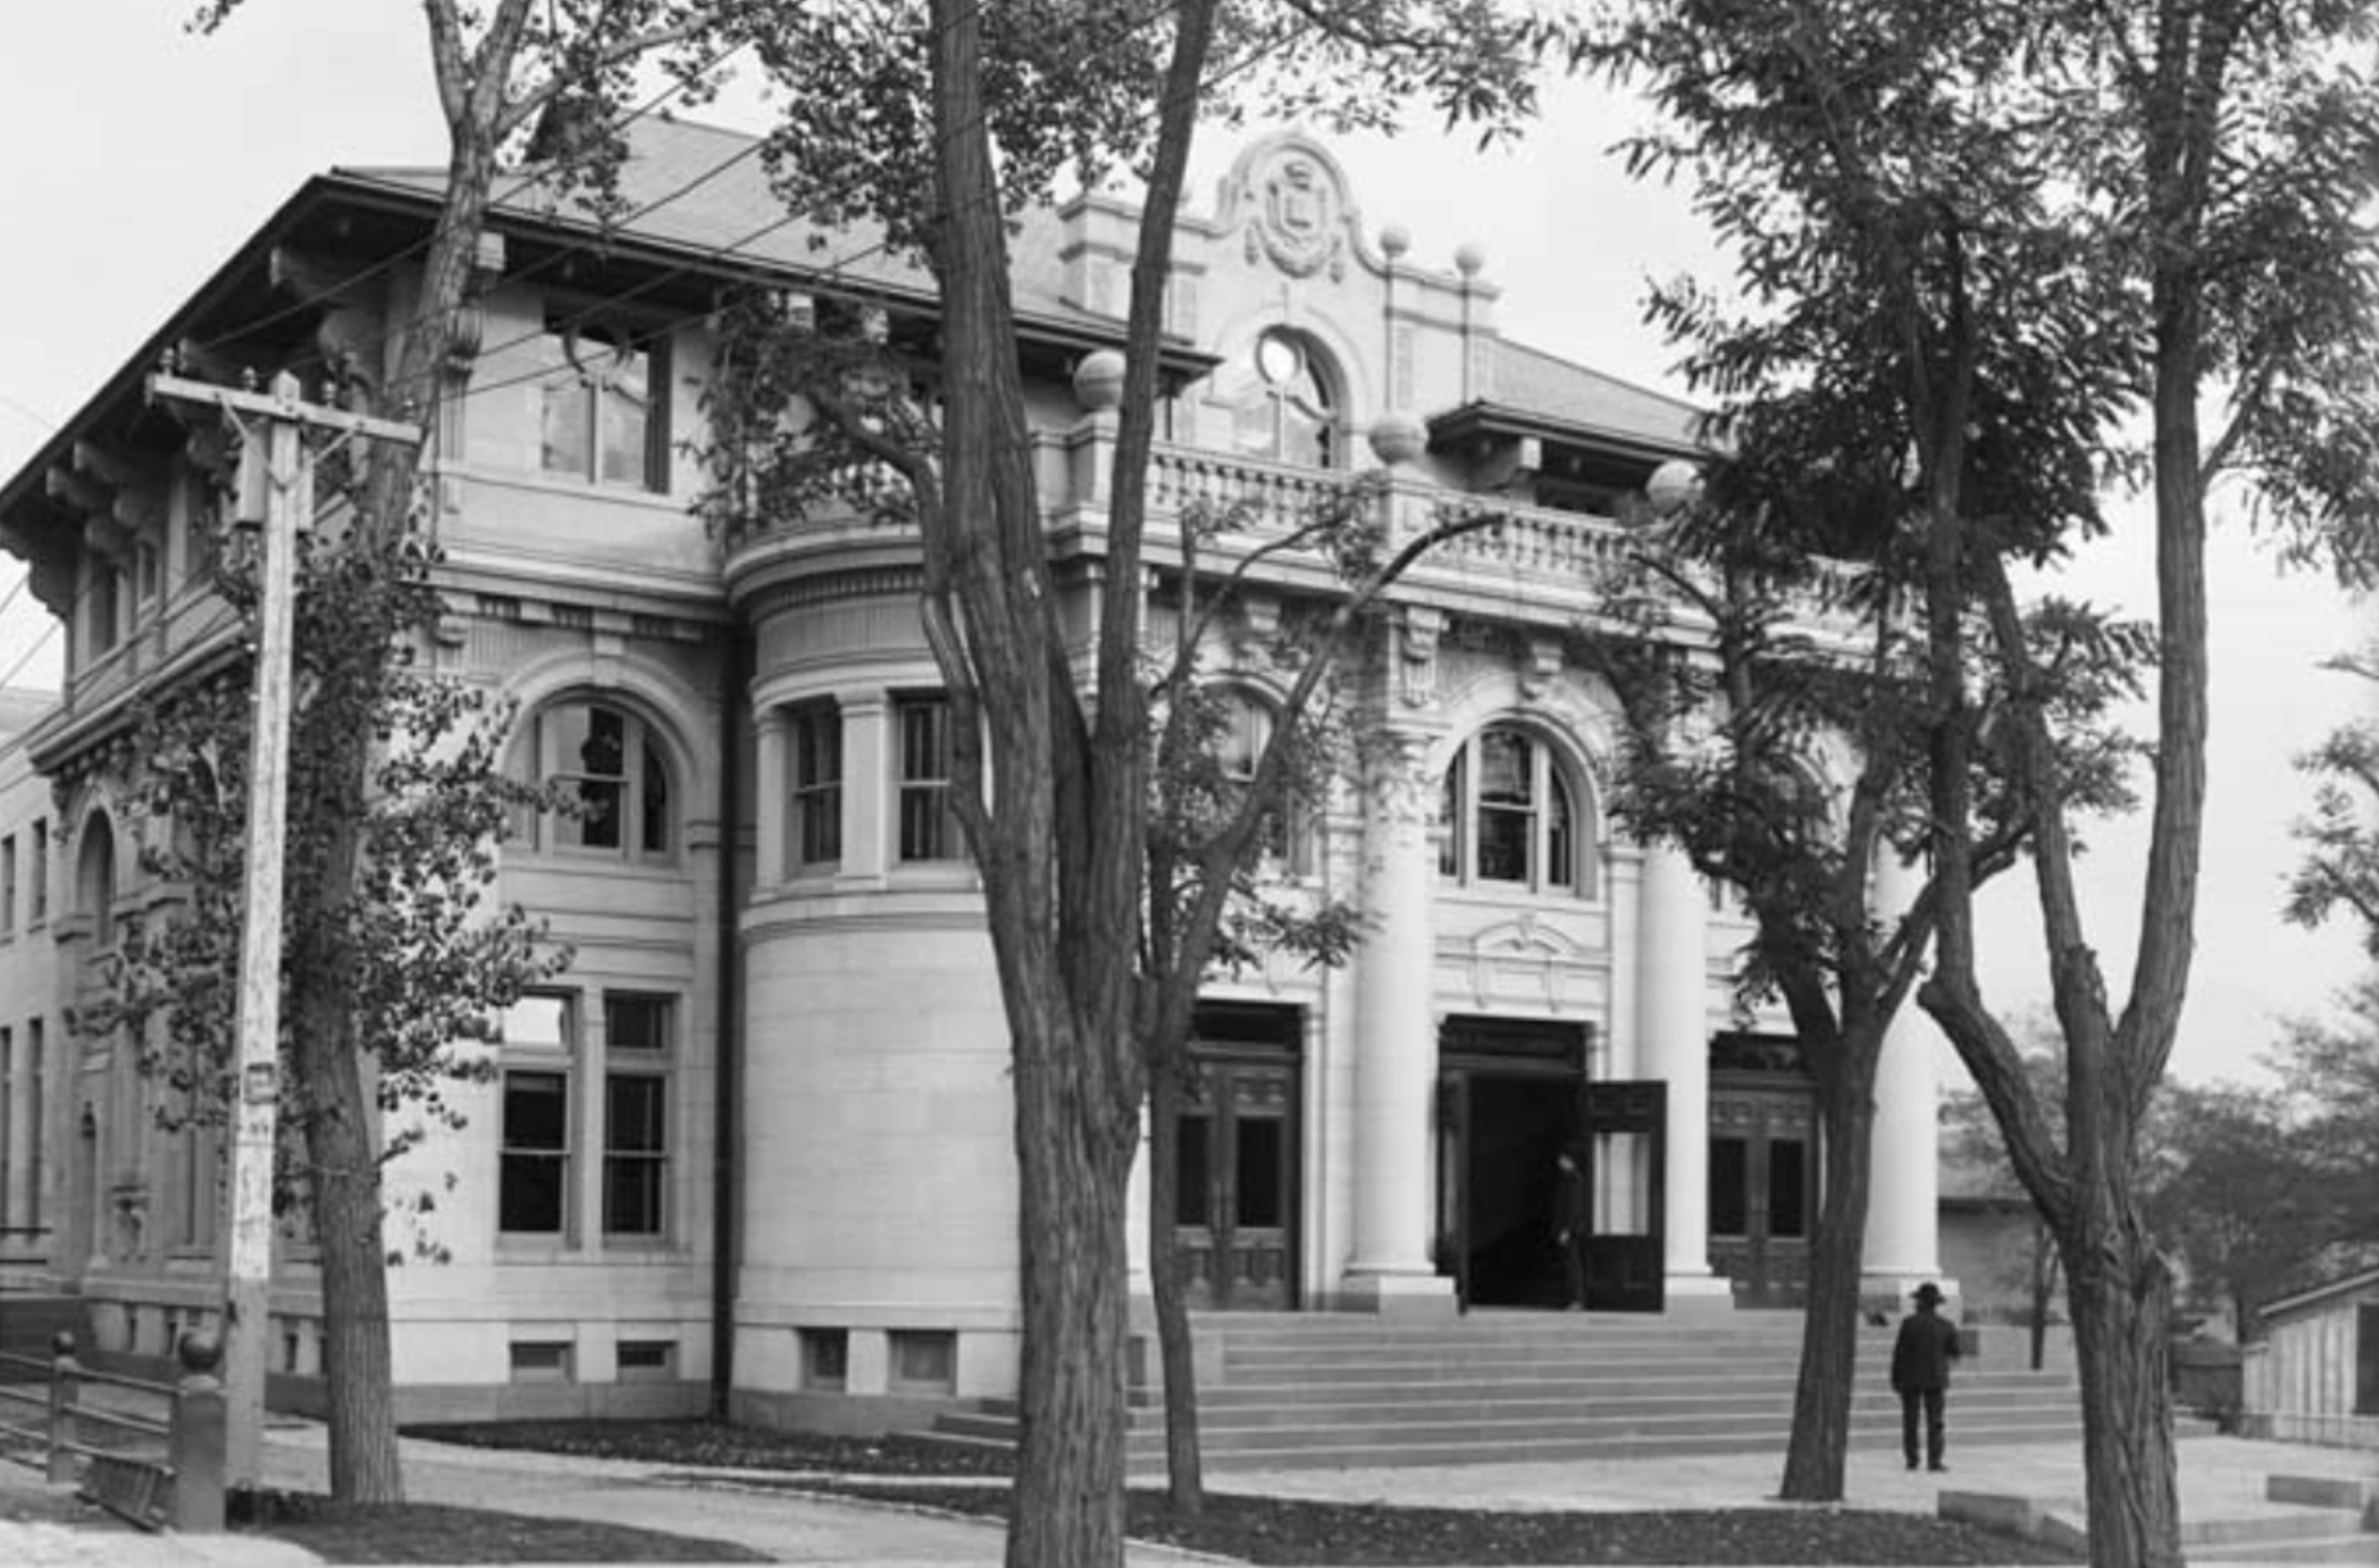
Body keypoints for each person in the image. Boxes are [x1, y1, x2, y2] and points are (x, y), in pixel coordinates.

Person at [1891, 1281, 1963, 1472]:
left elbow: (1899, 1354)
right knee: (1935, 1422)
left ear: (1920, 1303)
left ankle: (1912, 1459)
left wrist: (1895, 1379)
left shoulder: (1909, 1324)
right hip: (1936, 1378)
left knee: (1910, 1421)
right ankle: (1934, 1460)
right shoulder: (1946, 1326)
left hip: (1911, 1378)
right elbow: (1955, 1353)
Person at [1551, 1147, 1588, 1310]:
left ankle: (1577, 1300)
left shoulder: (1574, 1179)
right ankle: (1572, 1299)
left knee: (1573, 1265)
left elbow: (1574, 1208)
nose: (1559, 1161)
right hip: (1566, 1228)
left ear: (1569, 1160)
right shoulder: (1568, 1178)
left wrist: (1567, 1229)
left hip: (1570, 1230)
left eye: (1562, 1158)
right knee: (1569, 1264)